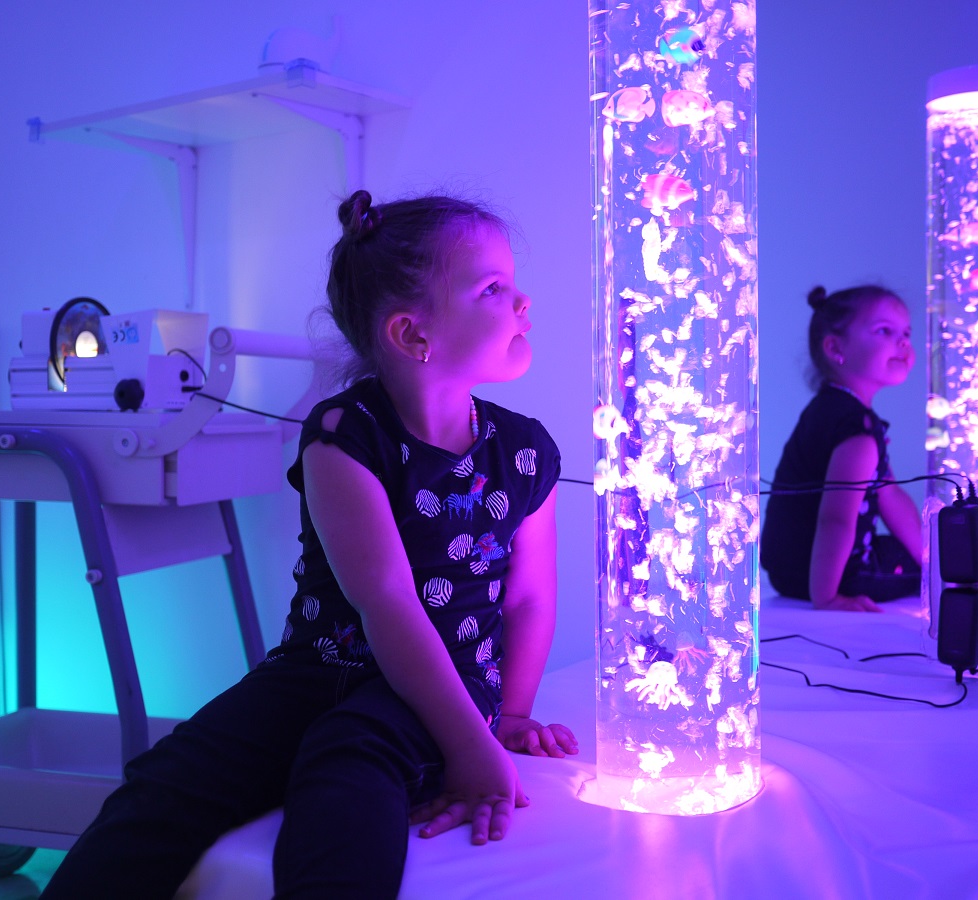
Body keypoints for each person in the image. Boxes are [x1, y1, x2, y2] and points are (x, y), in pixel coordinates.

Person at [41, 191, 578, 899]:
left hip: (444, 681)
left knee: (349, 760)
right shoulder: (341, 435)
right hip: (313, 670)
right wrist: (472, 746)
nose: (522, 302)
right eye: (493, 289)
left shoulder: (525, 452)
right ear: (412, 333)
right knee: (167, 782)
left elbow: (529, 599)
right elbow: (386, 601)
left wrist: (502, 721)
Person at [760, 284, 923, 613]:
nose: (903, 342)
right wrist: (828, 598)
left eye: (906, 333)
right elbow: (835, 519)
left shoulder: (829, 410)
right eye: (884, 331)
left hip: (791, 571)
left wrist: (934, 560)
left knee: (939, 557)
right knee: (963, 562)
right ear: (835, 348)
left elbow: (888, 494)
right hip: (833, 575)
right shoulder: (856, 431)